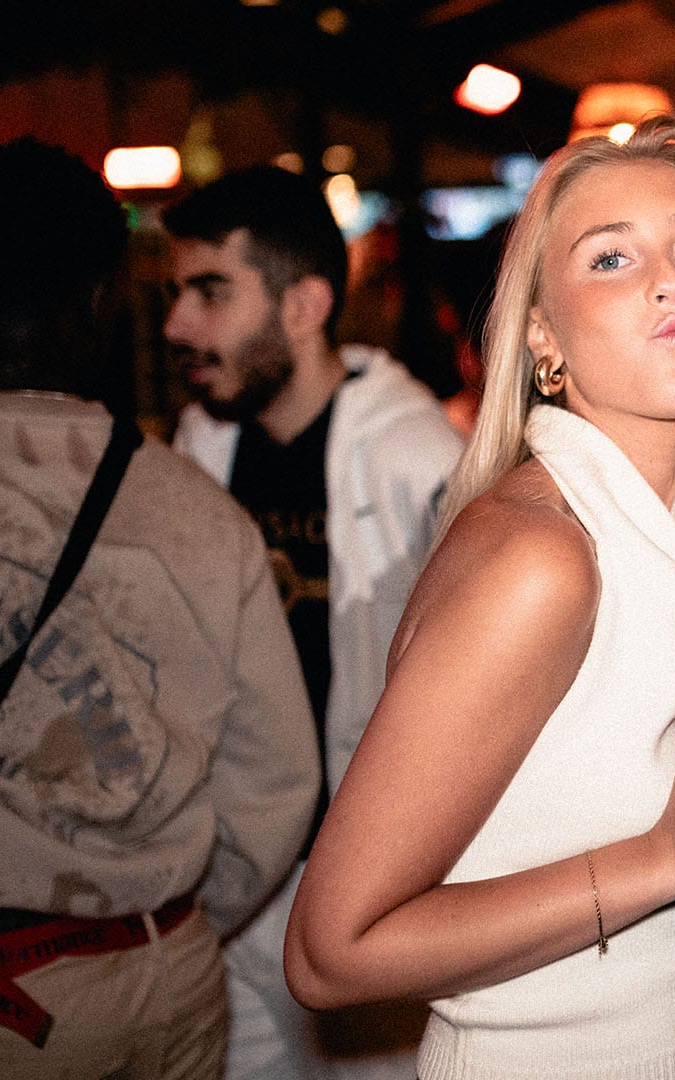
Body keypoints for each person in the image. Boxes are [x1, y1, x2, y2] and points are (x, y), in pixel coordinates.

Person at [281, 112, 675, 1080]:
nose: (670, 280)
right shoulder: (543, 555)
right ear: (543, 333)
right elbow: (332, 951)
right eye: (612, 258)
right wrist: (666, 856)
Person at [0, 139, 317, 1078]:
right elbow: (275, 782)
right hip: (170, 984)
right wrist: (156, 925)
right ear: (102, 300)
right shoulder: (204, 514)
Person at [161, 165, 465, 1080]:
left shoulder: (423, 462)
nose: (178, 325)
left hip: (378, 882)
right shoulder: (200, 446)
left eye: (211, 292)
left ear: (305, 305)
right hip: (233, 880)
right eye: (177, 295)